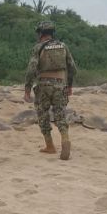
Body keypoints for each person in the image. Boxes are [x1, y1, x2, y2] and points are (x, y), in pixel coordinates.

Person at [24, 20, 77, 160]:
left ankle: (50, 146)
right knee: (60, 114)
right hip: (61, 85)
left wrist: (27, 88)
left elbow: (31, 69)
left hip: (44, 86)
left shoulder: (38, 47)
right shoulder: (63, 46)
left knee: (43, 115)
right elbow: (72, 68)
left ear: (41, 33)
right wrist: (69, 85)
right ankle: (65, 139)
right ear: (53, 33)